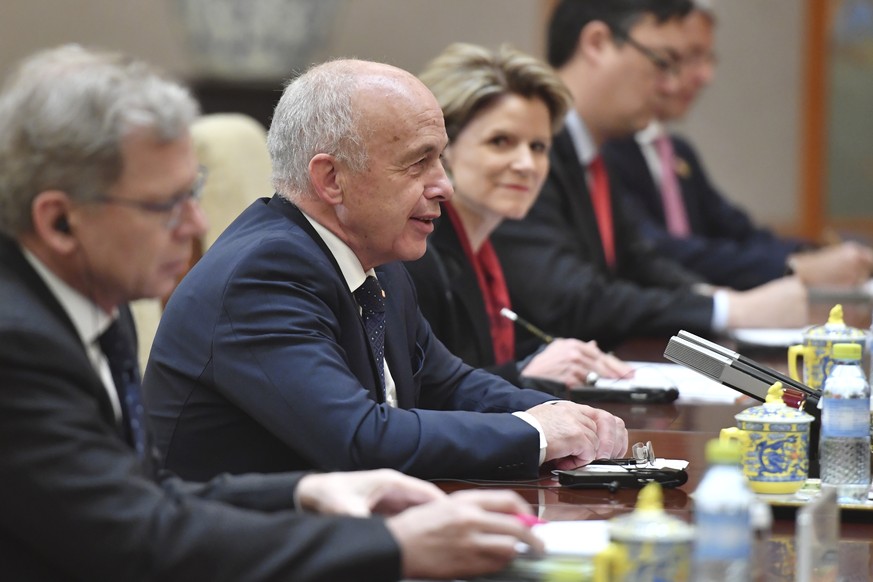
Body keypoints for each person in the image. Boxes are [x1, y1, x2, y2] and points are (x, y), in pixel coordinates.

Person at [0, 44, 551, 582]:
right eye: (165, 204)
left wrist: (301, 492)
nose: (195, 225)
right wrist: (392, 546)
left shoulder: (94, 305)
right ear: (59, 223)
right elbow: (135, 536)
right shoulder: (18, 346)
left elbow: (143, 492)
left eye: (193, 193)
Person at [143, 57, 628, 483]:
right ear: (332, 179)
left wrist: (558, 413)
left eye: (440, 158)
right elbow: (358, 438)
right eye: (418, 163)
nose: (444, 186)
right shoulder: (264, 275)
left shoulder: (376, 256)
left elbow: (447, 383)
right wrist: (536, 433)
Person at [490, 0, 809, 351]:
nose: (671, 86)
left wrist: (712, 296)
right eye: (662, 62)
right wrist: (729, 310)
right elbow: (569, 299)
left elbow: (638, 260)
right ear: (597, 43)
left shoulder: (596, 152)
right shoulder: (528, 154)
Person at [404, 42, 633, 391]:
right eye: (501, 141)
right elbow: (421, 394)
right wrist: (526, 374)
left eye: (538, 147)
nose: (526, 165)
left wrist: (562, 358)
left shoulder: (485, 248)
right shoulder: (419, 253)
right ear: (443, 149)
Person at [602, 2, 873, 290]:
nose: (705, 76)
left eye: (708, 58)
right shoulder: (606, 148)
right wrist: (795, 266)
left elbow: (738, 232)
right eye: (685, 56)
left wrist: (816, 254)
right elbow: (656, 251)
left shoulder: (677, 151)